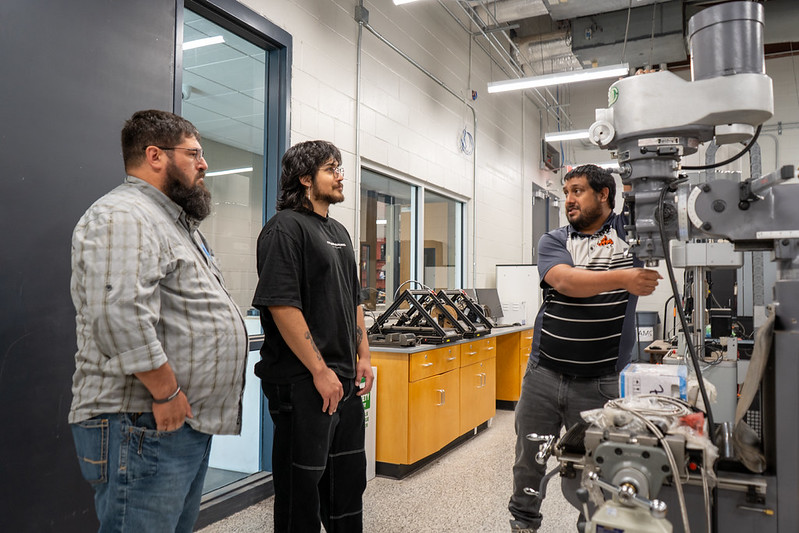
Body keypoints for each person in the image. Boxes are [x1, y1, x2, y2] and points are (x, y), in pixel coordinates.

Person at [68, 109, 248, 533]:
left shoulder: (172, 222)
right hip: (143, 419)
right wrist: (167, 394)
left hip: (172, 422)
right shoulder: (125, 215)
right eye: (194, 153)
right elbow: (118, 313)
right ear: (155, 155)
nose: (204, 164)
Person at [508, 164, 661, 532]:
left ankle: (592, 526)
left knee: (598, 467)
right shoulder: (554, 239)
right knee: (529, 461)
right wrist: (625, 278)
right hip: (544, 375)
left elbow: (647, 205)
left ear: (603, 195)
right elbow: (565, 281)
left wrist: (632, 169)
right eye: (566, 192)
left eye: (577, 191)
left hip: (601, 382)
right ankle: (523, 523)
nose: (568, 200)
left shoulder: (629, 236)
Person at [252, 140, 374, 533]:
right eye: (331, 169)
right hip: (303, 383)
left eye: (340, 167)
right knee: (300, 489)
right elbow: (282, 305)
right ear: (305, 178)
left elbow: (353, 299)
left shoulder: (338, 230)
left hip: (344, 381)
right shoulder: (284, 230)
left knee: (347, 483)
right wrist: (319, 371)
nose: (341, 176)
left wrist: (364, 356)